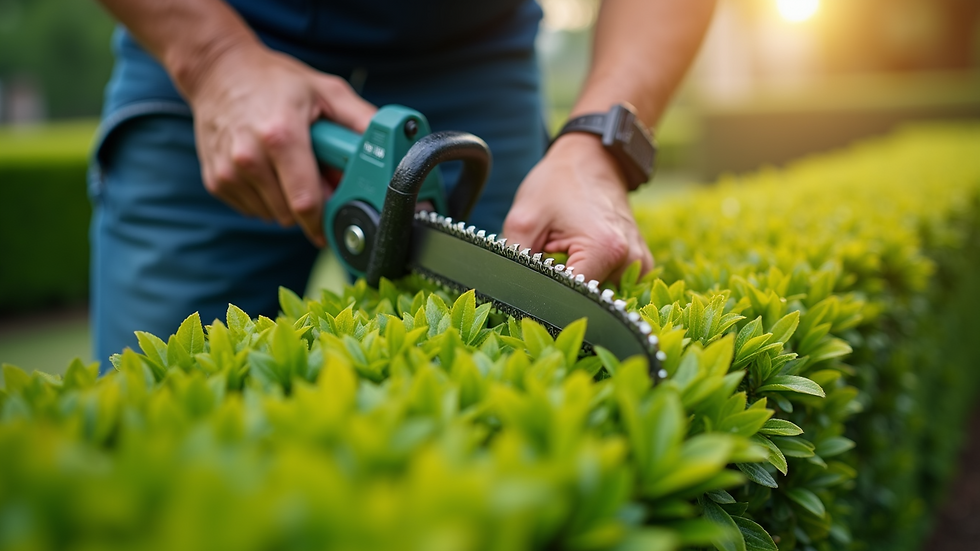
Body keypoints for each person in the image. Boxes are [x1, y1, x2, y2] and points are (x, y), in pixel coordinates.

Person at [89, 0, 716, 368]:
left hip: (471, 47)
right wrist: (212, 58)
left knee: (524, 357)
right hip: (213, 27)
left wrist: (598, 145)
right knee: (155, 382)